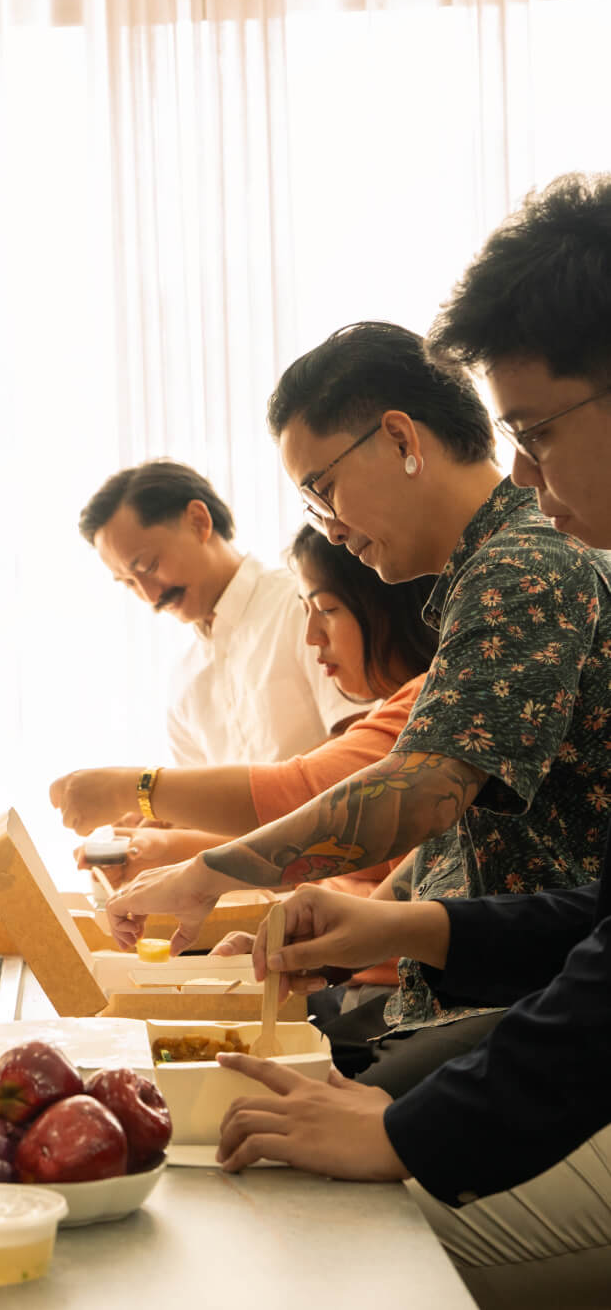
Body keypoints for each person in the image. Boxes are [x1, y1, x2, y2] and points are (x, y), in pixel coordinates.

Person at [213, 173, 611, 1307]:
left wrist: (413, 1136)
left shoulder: (525, 562)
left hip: (575, 1035)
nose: (528, 473)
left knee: (341, 1250)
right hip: (557, 1006)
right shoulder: (506, 566)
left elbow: (419, 787)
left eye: (537, 431)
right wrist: (406, 922)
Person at [103, 322, 610, 1097]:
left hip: (546, 1003)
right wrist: (347, 927)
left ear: (402, 438)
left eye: (321, 489)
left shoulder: (522, 566)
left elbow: (419, 793)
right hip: (485, 980)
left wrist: (207, 871)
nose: (328, 526)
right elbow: (468, 828)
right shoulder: (490, 567)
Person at [53, 523, 437, 884]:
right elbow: (309, 848)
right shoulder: (183, 672)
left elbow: (310, 794)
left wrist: (134, 788)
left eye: (149, 565)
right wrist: (167, 844)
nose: (312, 636)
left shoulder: (425, 707)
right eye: (127, 582)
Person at [79, 460, 362, 776]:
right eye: (129, 583)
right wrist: (159, 816)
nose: (149, 596)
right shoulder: (183, 682)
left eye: (148, 567)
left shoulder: (303, 607)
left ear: (198, 521)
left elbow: (360, 740)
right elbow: (203, 810)